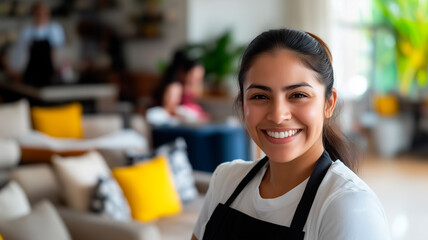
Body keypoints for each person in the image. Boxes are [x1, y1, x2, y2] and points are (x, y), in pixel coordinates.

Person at [192, 28, 390, 240]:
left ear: (328, 104)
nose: (278, 115)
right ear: (242, 104)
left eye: (298, 95)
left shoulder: (348, 206)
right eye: (260, 96)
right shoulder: (225, 180)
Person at [10, 1, 65, 86]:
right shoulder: (27, 30)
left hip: (49, 72)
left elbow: (60, 51)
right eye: (39, 12)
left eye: (44, 12)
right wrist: (17, 70)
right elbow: (20, 52)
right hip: (31, 72)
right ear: (33, 13)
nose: (41, 15)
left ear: (48, 13)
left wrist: (61, 68)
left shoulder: (55, 29)